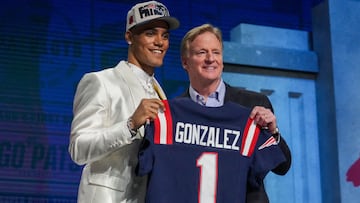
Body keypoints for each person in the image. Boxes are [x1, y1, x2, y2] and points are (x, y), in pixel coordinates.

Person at [68, 1, 179, 202]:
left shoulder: (159, 92)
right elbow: (78, 149)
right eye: (150, 33)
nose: (159, 42)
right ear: (129, 37)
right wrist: (130, 125)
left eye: (165, 35)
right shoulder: (100, 81)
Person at [179, 23, 291, 203]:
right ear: (185, 62)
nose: (210, 58)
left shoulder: (253, 105)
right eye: (202, 52)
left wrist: (273, 133)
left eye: (216, 52)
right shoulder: (175, 114)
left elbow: (282, 167)